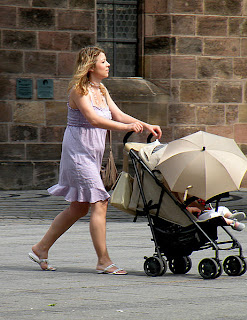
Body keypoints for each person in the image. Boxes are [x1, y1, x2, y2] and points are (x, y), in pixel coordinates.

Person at [28, 46, 162, 274]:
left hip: (92, 155)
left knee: (78, 208)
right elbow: (94, 120)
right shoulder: (78, 90)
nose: (108, 64)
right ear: (91, 66)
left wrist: (145, 124)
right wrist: (127, 127)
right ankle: (103, 261)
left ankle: (40, 248)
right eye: (103, 61)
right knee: (100, 202)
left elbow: (117, 114)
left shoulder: (101, 89)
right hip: (77, 155)